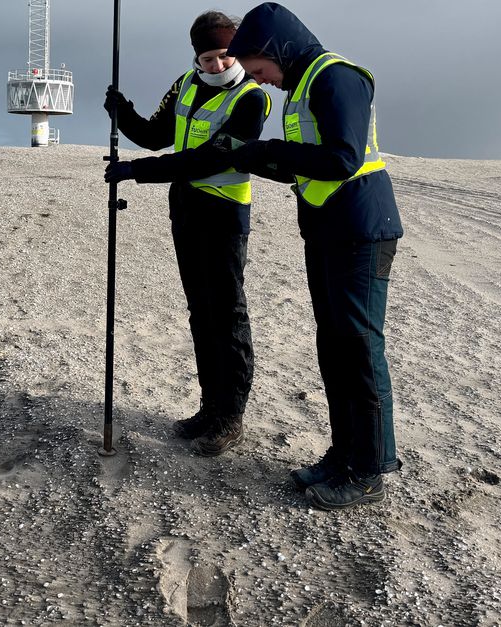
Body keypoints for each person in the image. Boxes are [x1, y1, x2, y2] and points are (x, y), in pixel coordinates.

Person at [220, 2, 404, 510]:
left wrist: (270, 151)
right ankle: (343, 454)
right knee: (335, 349)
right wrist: (255, 158)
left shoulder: (335, 77)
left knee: (360, 351)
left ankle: (368, 469)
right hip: (327, 230)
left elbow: (343, 158)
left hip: (361, 230)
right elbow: (307, 165)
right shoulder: (300, 88)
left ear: (278, 49)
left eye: (260, 70)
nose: (263, 81)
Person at [103, 10, 271, 457]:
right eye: (208, 58)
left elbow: (211, 159)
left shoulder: (253, 98)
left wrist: (136, 172)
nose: (217, 65)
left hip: (225, 215)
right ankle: (209, 407)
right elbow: (157, 134)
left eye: (224, 56)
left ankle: (230, 416)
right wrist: (123, 113)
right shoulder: (185, 83)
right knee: (200, 310)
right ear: (195, 57)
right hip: (186, 210)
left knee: (227, 313)